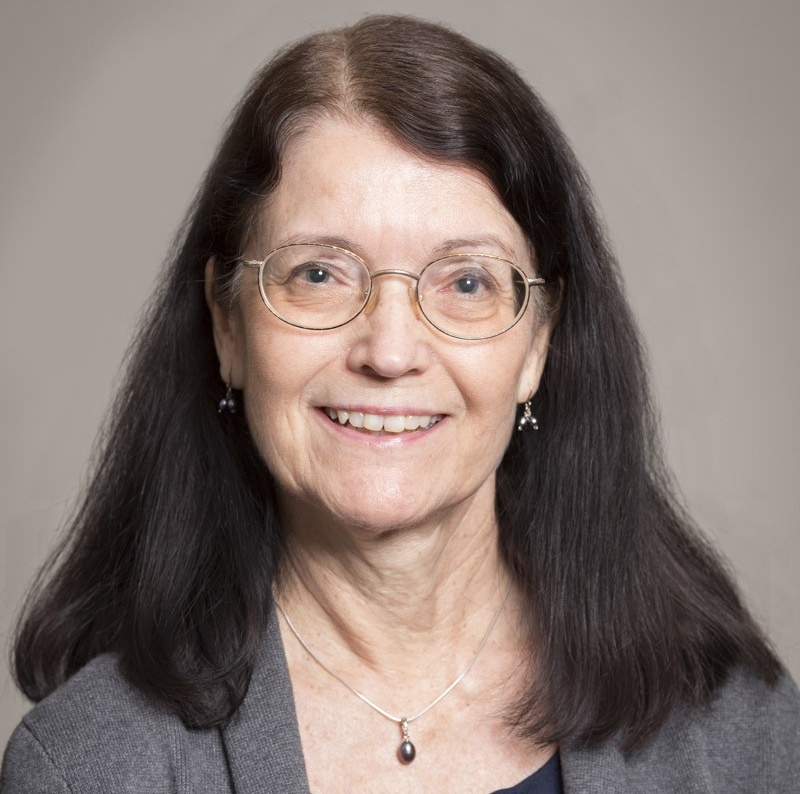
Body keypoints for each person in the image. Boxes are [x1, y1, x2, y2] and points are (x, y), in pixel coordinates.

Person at [1, 14, 798, 794]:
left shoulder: (742, 734)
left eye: (466, 282)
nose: (388, 352)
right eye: (319, 273)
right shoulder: (88, 769)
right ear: (227, 324)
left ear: (538, 343)